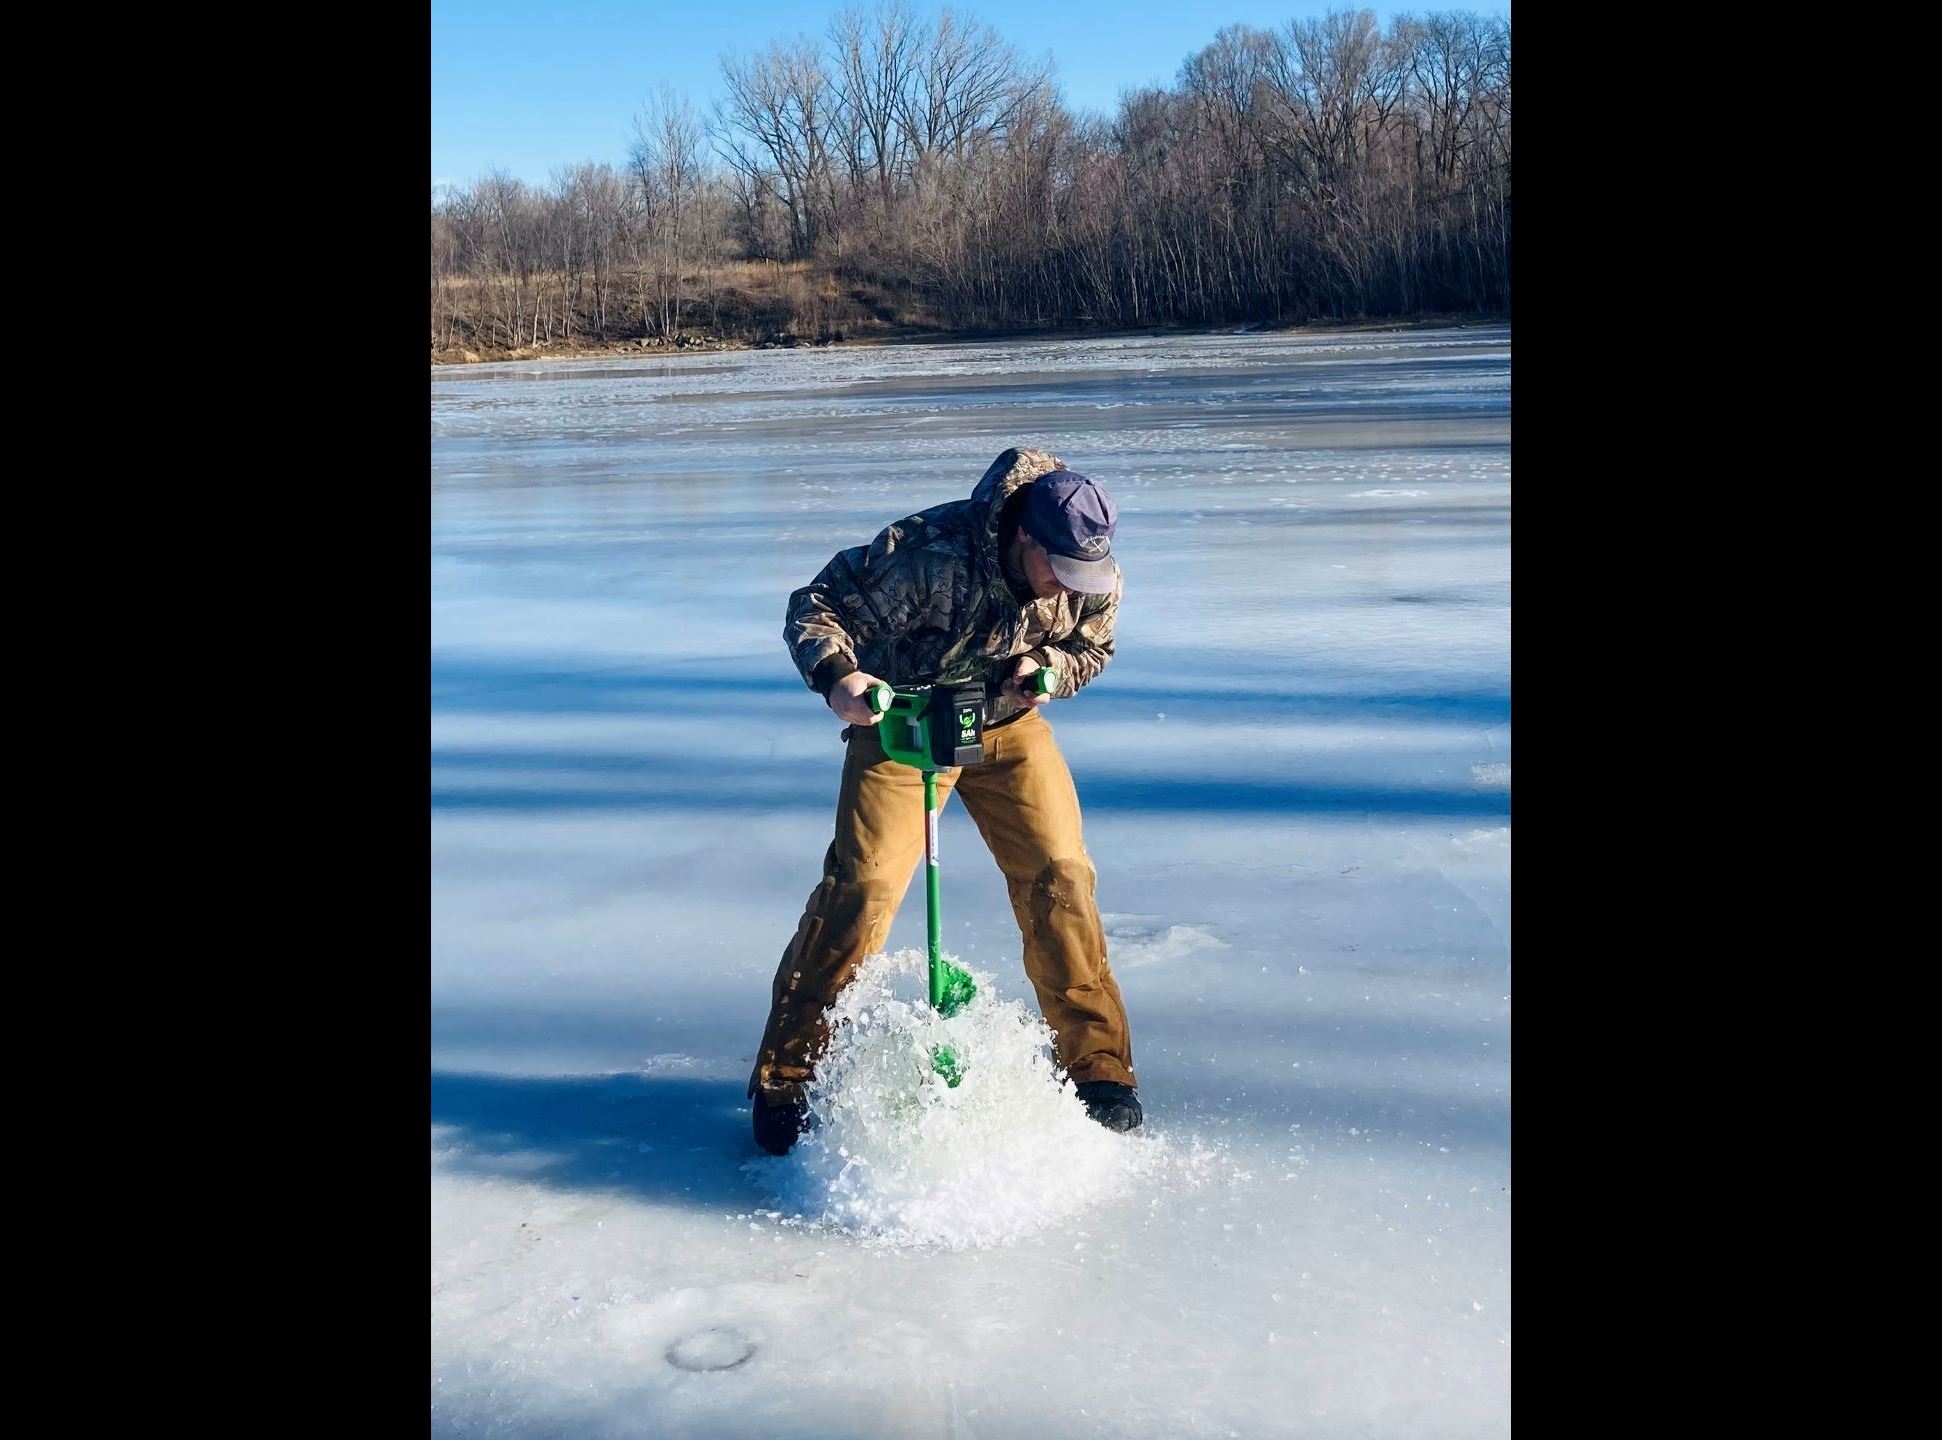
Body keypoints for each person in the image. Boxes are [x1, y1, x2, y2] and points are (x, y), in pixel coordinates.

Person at [749, 447, 1143, 1155]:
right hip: (901, 724)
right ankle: (790, 1076)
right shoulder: (926, 552)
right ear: (1025, 536)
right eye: (1058, 567)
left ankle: (1099, 1070)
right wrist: (839, 679)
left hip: (1006, 726)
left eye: (1082, 572)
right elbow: (815, 605)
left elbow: (1092, 648)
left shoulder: (1092, 576)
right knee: (863, 888)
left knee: (1061, 875)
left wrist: (1049, 669)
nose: (1068, 585)